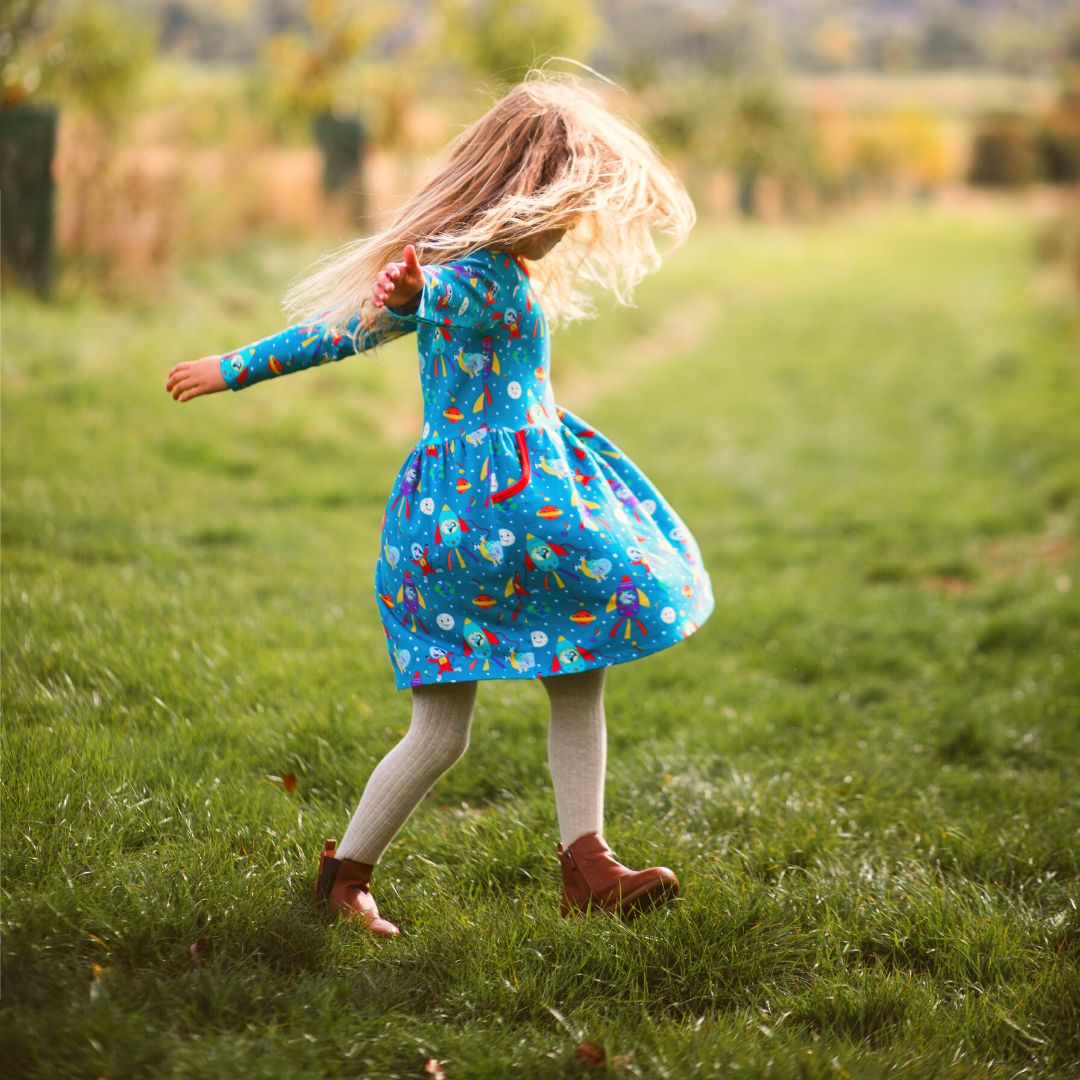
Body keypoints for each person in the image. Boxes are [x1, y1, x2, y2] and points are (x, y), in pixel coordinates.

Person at [166, 70, 714, 938]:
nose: (573, 227)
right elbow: (435, 298)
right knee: (559, 681)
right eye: (569, 208)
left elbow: (341, 330)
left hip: (449, 526)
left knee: (468, 719)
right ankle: (570, 864)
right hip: (512, 518)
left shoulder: (470, 272)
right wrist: (418, 294)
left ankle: (374, 878)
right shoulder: (476, 276)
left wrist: (231, 367)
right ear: (529, 196)